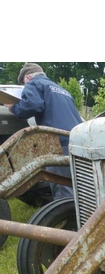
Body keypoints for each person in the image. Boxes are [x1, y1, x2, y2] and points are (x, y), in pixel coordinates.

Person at [5, 63, 83, 199]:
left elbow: (32, 105)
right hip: (76, 139)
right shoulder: (61, 89)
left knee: (61, 184)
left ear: (28, 77)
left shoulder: (34, 84)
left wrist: (13, 107)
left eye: (24, 83)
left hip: (57, 141)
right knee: (76, 183)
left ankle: (67, 216)